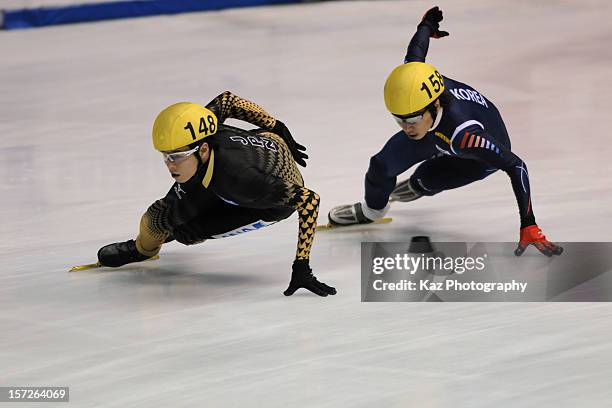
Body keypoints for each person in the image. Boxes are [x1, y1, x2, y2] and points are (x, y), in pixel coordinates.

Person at [328, 7, 562, 257]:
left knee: (425, 179)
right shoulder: (417, 86)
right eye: (399, 120)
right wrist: (426, 27)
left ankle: (419, 185)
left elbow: (516, 165)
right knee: (380, 166)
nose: (407, 127)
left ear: (435, 104)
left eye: (413, 119)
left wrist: (529, 223)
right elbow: (416, 52)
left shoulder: (467, 137)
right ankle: (371, 212)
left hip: (472, 157)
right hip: (435, 133)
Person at [96, 91, 336, 297]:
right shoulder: (201, 129)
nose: (170, 165)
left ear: (202, 149)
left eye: (177, 157)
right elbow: (228, 100)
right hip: (250, 150)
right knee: (156, 219)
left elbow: (308, 199)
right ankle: (144, 249)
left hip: (264, 201)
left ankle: (173, 233)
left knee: (187, 233)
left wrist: (301, 266)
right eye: (166, 156)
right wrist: (275, 126)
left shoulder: (244, 180)